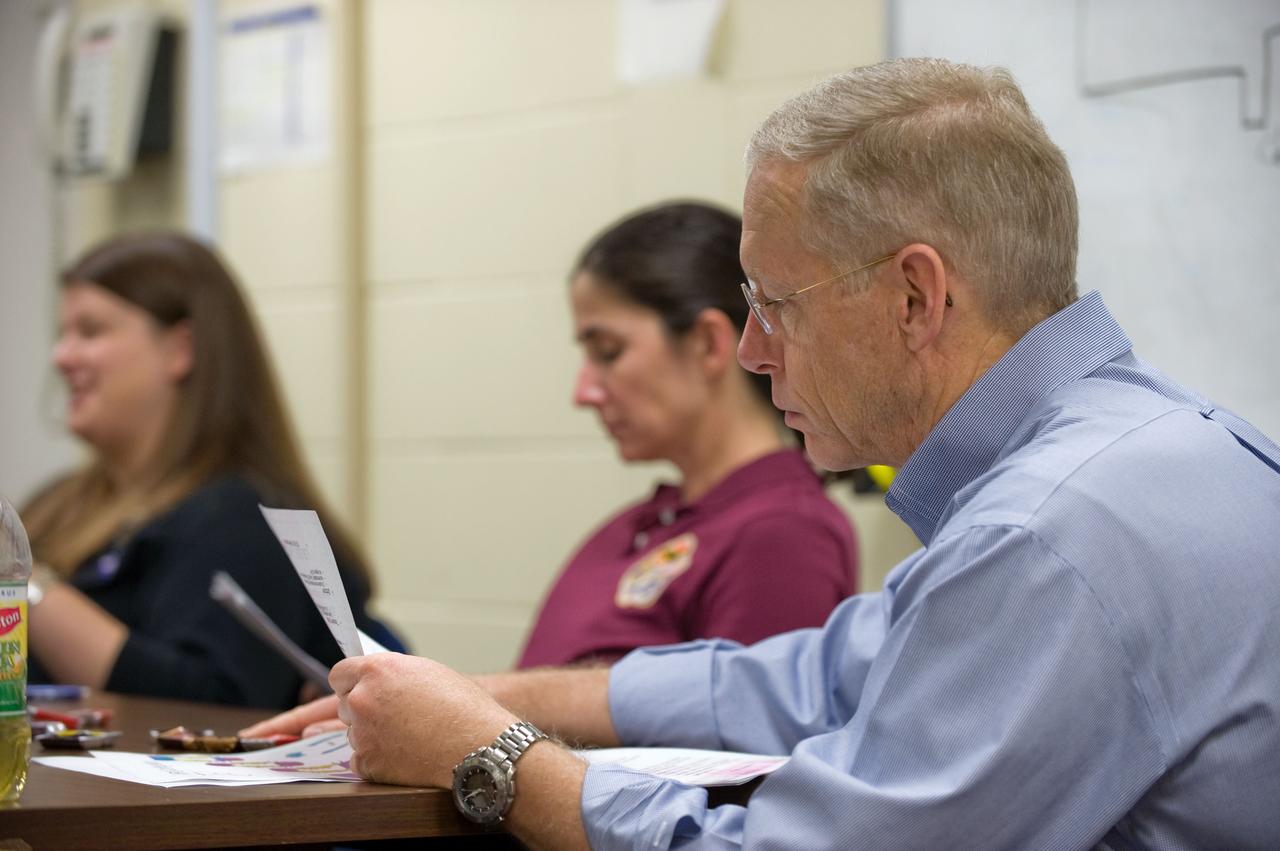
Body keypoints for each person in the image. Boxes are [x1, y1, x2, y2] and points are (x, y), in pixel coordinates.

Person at [247, 58, 1280, 849]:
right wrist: (499, 696)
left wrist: (494, 757)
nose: (749, 348)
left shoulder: (1048, 530)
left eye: (773, 304)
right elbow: (827, 676)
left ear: (915, 297)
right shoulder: (1129, 454)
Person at [21, 231, 387, 710]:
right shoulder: (60, 503)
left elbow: (214, 702)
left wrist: (24, 587)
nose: (62, 357)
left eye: (90, 331)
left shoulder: (241, 517)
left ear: (181, 349)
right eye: (64, 334)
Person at [517, 201, 857, 669]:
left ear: (707, 344)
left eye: (609, 351)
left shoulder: (780, 533)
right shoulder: (644, 523)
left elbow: (751, 731)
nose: (584, 392)